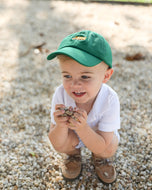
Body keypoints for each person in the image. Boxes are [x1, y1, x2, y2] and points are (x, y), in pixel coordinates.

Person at [47, 30, 120, 184]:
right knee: (64, 142)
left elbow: (102, 144)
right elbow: (55, 142)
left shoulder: (110, 99)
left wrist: (82, 128)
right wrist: (60, 125)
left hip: (99, 139)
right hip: (73, 137)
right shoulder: (61, 93)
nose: (74, 84)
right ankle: (73, 154)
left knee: (109, 148)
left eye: (85, 76)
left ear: (106, 76)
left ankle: (100, 159)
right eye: (67, 76)